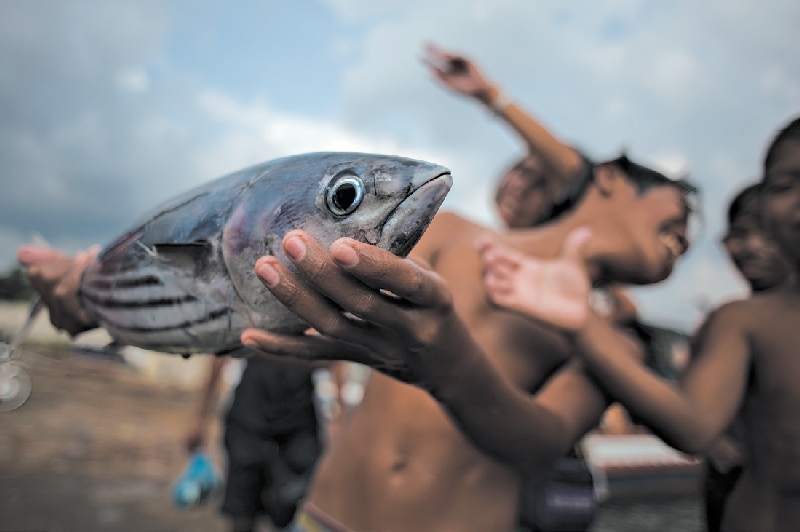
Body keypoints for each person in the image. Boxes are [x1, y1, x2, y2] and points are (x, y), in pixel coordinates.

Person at [239, 152, 696, 531]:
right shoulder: (453, 232)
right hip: (325, 512)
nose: (686, 241)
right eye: (676, 216)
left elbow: (542, 445)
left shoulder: (612, 336)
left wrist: (451, 366)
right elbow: (341, 323)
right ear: (610, 178)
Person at [480, 116, 800, 532]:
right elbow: (695, 427)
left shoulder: (622, 328)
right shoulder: (743, 321)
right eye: (785, 184)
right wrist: (583, 324)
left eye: (681, 239)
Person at [702, 182, 792, 532]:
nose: (753, 246)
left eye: (768, 235)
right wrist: (712, 440)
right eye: (740, 234)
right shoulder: (723, 323)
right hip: (733, 484)